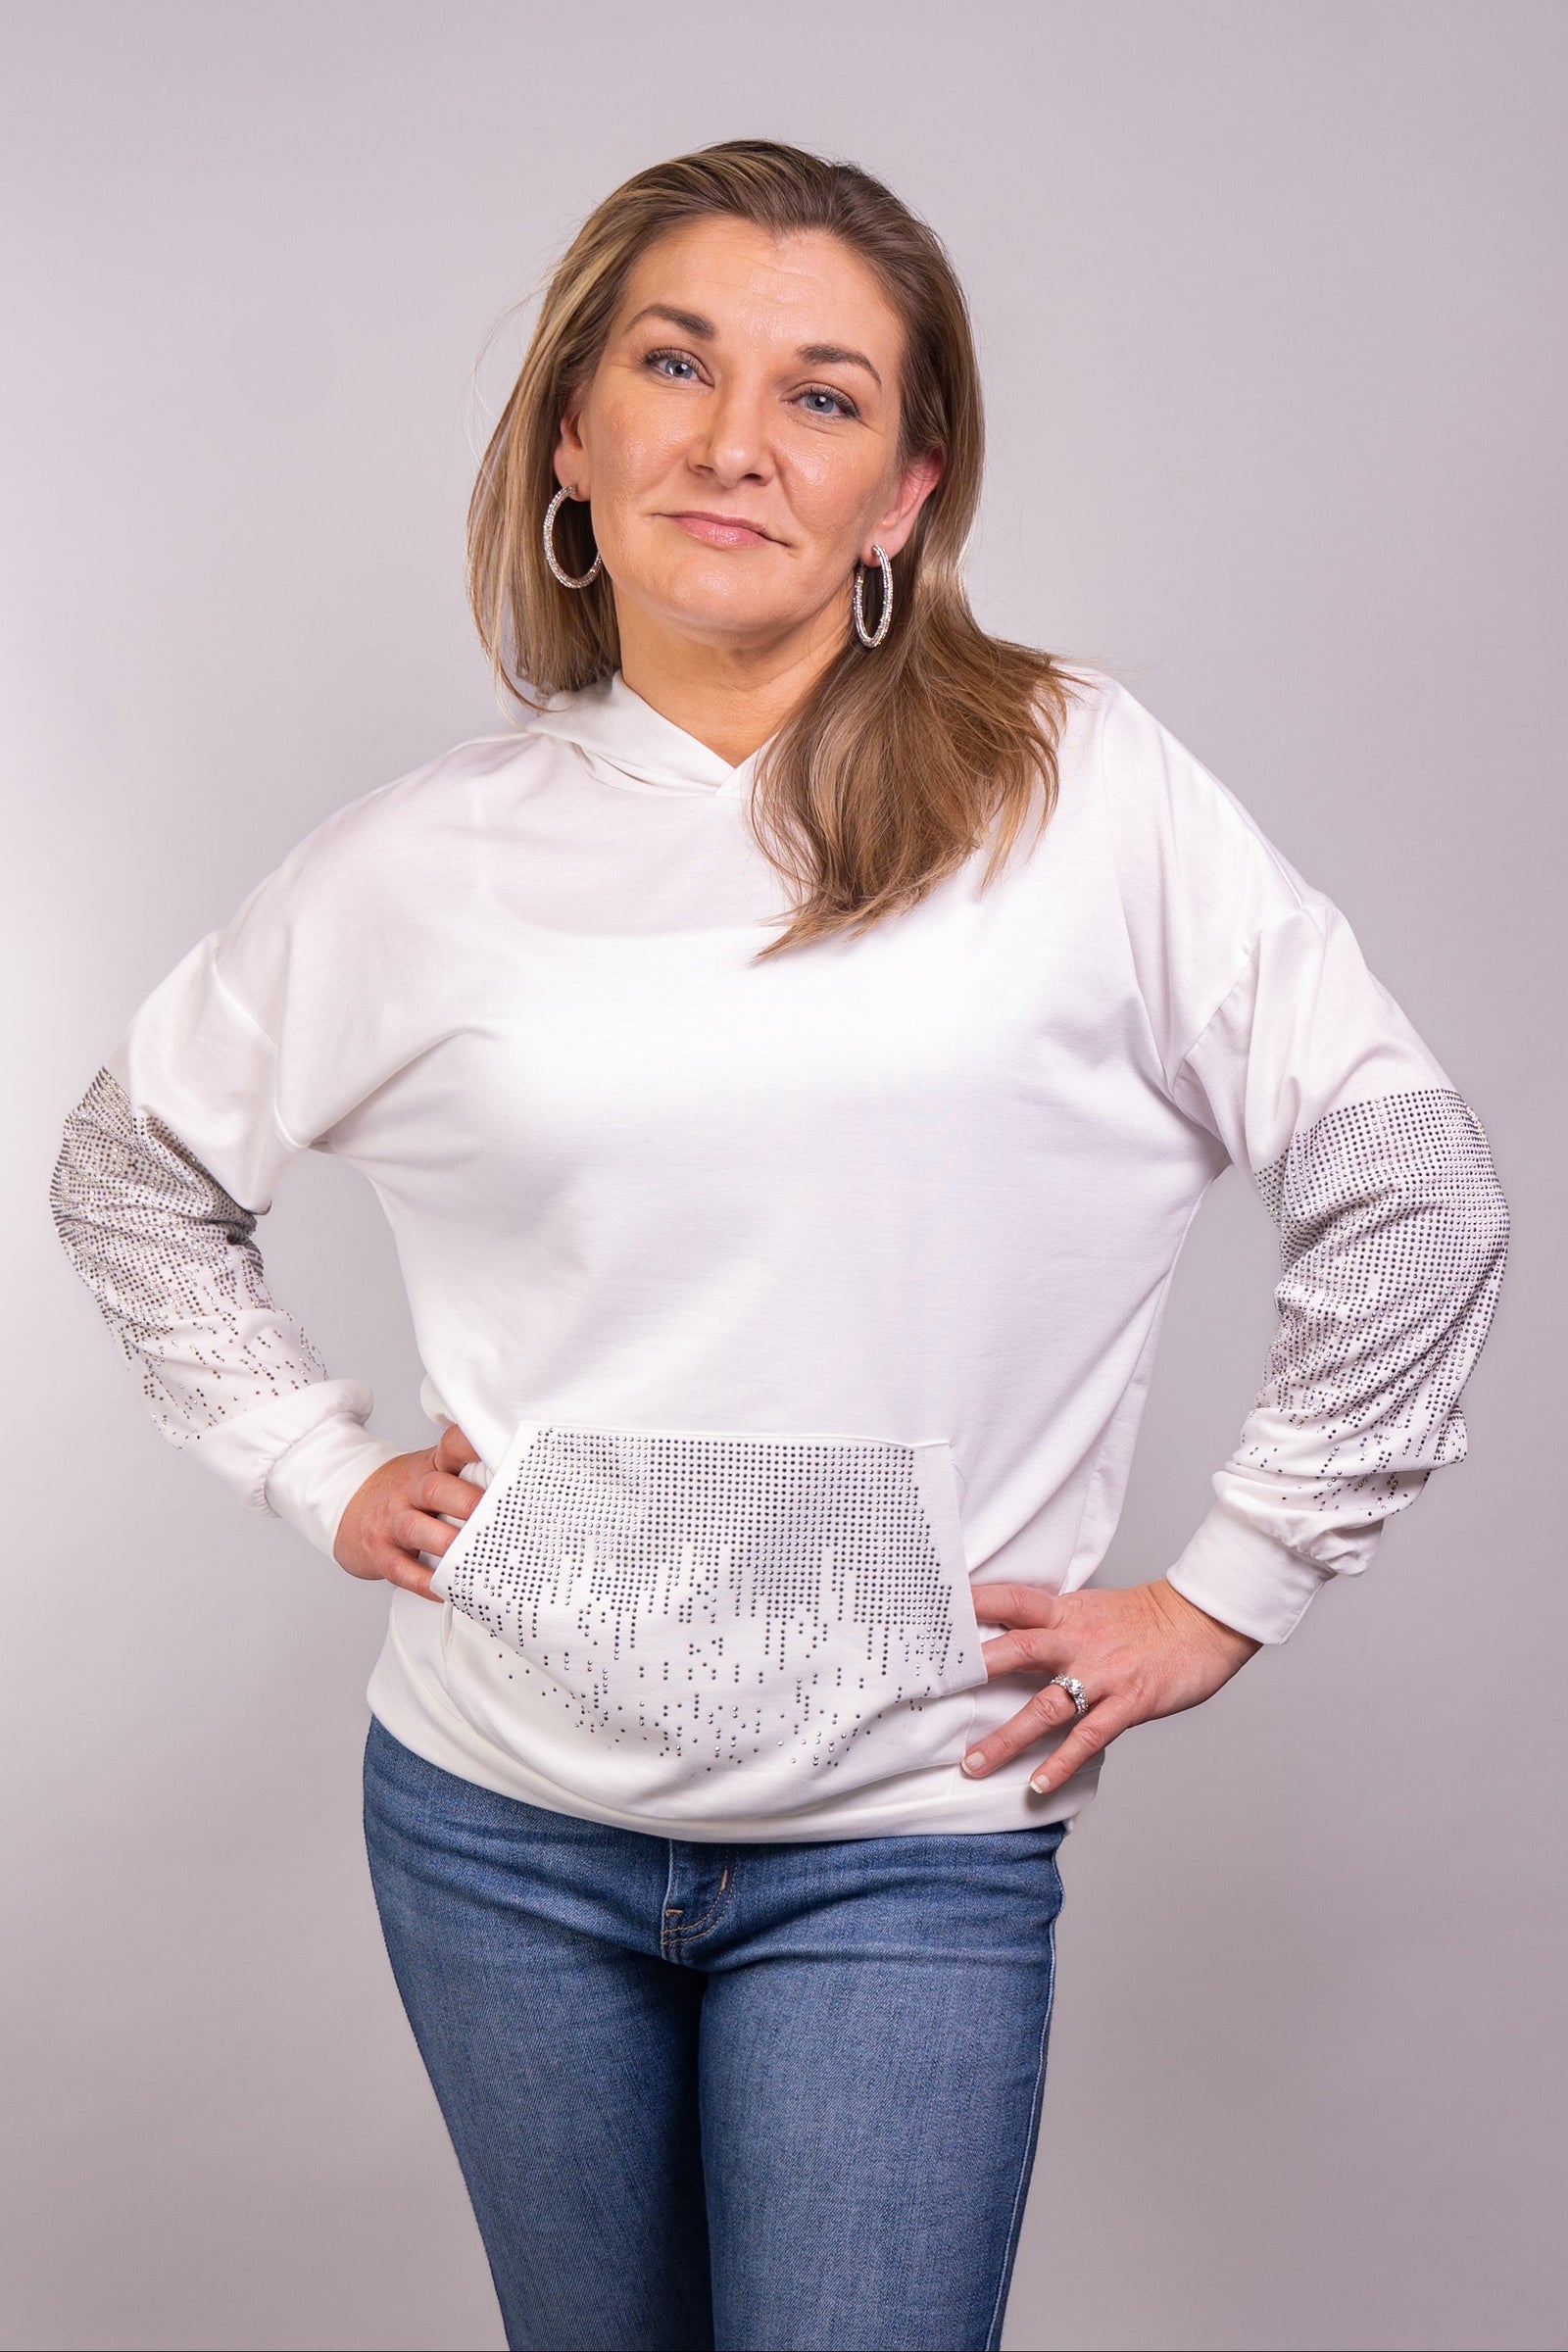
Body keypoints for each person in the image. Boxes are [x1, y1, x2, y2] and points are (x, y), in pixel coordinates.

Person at [50, 138, 1510, 2352]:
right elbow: (127, 1167)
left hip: (902, 1840)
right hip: (489, 1827)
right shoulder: (428, 863)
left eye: (820, 395)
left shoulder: (1074, 791)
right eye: (673, 362)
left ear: (906, 494)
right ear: (571, 432)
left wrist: (1231, 1586)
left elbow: (1409, 1181)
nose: (734, 439)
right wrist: (308, 1462)